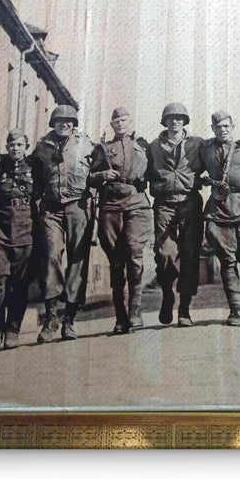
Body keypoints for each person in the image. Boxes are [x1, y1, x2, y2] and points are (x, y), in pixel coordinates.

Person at [30, 105, 96, 342]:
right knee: (50, 256)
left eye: (68, 121)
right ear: (53, 123)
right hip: (51, 208)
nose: (64, 124)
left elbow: (100, 171)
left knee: (78, 260)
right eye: (59, 121)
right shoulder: (42, 146)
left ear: (74, 124)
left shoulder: (87, 144)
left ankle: (70, 319)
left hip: (78, 206)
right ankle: (50, 318)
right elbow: (31, 174)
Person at [89, 107, 153, 334]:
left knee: (135, 253)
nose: (120, 124)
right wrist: (101, 175)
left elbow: (156, 172)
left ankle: (135, 312)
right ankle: (120, 317)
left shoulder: (144, 147)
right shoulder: (103, 148)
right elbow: (90, 178)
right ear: (112, 124)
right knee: (116, 261)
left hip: (137, 202)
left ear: (131, 121)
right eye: (116, 120)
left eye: (124, 120)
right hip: (111, 205)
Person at [198, 110, 240, 326]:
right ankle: (236, 310)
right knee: (227, 262)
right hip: (220, 210)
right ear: (213, 129)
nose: (222, 130)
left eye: (226, 126)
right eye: (218, 127)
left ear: (232, 127)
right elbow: (191, 170)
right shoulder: (205, 150)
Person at [146, 102, 204, 327]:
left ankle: (185, 308)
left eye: (180, 118)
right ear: (165, 121)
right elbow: (143, 169)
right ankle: (167, 294)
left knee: (190, 254)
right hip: (164, 204)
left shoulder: (197, 143)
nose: (175, 122)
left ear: (185, 121)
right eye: (171, 118)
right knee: (165, 254)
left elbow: (214, 159)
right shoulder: (153, 146)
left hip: (190, 202)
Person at [0, 129, 37, 349]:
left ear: (26, 147)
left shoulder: (35, 167)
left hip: (25, 227)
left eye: (20, 145)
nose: (15, 148)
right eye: (12, 144)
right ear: (6, 147)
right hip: (0, 226)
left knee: (20, 283)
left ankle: (13, 328)